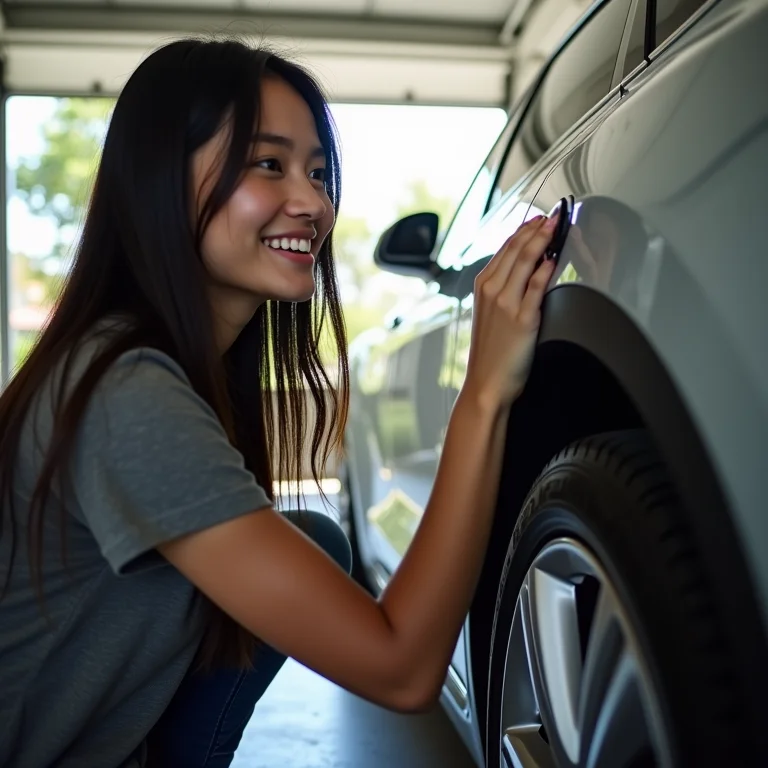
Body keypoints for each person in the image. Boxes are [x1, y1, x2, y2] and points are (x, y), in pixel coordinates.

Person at [0, 37, 559, 768]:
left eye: (320, 172)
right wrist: (482, 392)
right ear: (163, 181)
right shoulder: (125, 391)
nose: (313, 203)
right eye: (268, 165)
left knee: (311, 541)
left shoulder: (169, 370)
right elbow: (401, 668)